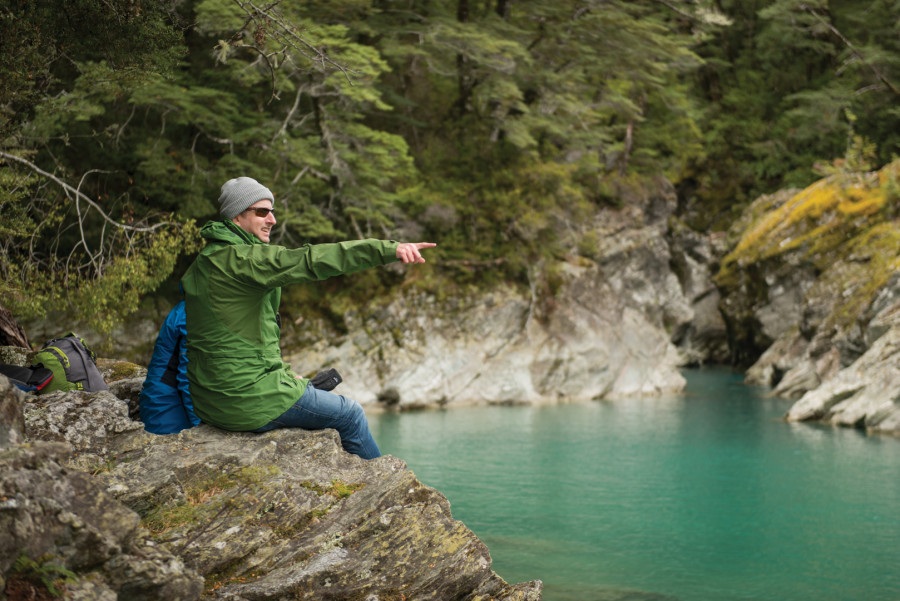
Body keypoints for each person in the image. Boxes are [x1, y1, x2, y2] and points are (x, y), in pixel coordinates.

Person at [181, 176, 435, 459]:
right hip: (245, 400)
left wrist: (284, 376)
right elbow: (311, 260)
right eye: (262, 211)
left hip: (210, 401)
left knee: (310, 389)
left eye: (272, 211)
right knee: (350, 414)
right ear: (237, 216)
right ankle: (386, 490)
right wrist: (388, 249)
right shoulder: (244, 259)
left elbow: (230, 340)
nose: (272, 220)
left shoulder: (204, 262)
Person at [139, 300, 201, 434]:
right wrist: (200, 427)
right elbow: (189, 379)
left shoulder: (190, 305)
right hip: (166, 412)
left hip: (166, 403)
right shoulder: (193, 311)